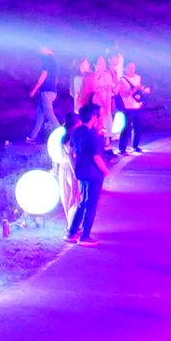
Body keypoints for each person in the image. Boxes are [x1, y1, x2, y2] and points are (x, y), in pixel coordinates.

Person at [63, 104, 110, 244]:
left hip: (81, 172)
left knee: (82, 202)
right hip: (93, 173)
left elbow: (71, 153)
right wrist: (105, 170)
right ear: (93, 117)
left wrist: (74, 169)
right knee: (91, 204)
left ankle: (71, 233)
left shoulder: (75, 132)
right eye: (97, 116)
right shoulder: (92, 135)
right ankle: (85, 236)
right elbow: (96, 157)